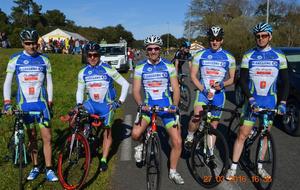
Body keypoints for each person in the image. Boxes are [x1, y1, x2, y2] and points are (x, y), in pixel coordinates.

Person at [225, 22, 289, 180]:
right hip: (252, 102)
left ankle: (259, 166)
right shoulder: (248, 55)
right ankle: (233, 167)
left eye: (264, 36)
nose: (260, 39)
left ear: (270, 36)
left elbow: (286, 82)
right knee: (242, 134)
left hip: (270, 102)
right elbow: (243, 81)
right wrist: (251, 100)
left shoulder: (279, 56)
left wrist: (283, 102)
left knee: (265, 135)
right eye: (258, 36)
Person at [3, 28, 58, 181]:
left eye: (34, 43)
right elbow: (7, 83)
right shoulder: (15, 59)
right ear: (22, 43)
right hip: (24, 105)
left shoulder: (45, 59)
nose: (32, 46)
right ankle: (35, 167)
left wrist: (50, 101)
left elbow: (50, 83)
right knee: (32, 138)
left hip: (41, 105)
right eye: (28, 43)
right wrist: (7, 103)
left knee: (47, 138)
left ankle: (49, 168)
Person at [131, 35, 184, 185]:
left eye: (156, 48)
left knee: (177, 141)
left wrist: (174, 104)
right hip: (148, 106)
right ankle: (141, 145)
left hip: (166, 107)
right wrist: (141, 104)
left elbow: (175, 88)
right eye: (150, 49)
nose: (153, 51)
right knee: (135, 134)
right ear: (146, 51)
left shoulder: (169, 66)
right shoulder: (140, 67)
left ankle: (173, 171)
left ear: (160, 50)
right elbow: (135, 90)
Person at [184, 26, 236, 168]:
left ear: (222, 40)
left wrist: (223, 84)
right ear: (209, 40)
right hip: (203, 92)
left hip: (219, 95)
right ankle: (189, 136)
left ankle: (209, 153)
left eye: (218, 39)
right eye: (212, 39)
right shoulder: (200, 55)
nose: (215, 42)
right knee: (196, 115)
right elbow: (193, 76)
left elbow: (232, 79)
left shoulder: (229, 57)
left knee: (213, 125)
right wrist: (203, 89)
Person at [76, 41, 129, 171]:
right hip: (91, 104)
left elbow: (125, 84)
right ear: (86, 56)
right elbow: (79, 90)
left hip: (106, 105)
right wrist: (78, 104)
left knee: (107, 132)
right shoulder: (83, 72)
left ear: (99, 55)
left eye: (95, 55)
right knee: (75, 117)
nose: (92, 58)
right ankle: (83, 140)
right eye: (90, 55)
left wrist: (120, 102)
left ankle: (104, 159)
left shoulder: (108, 69)